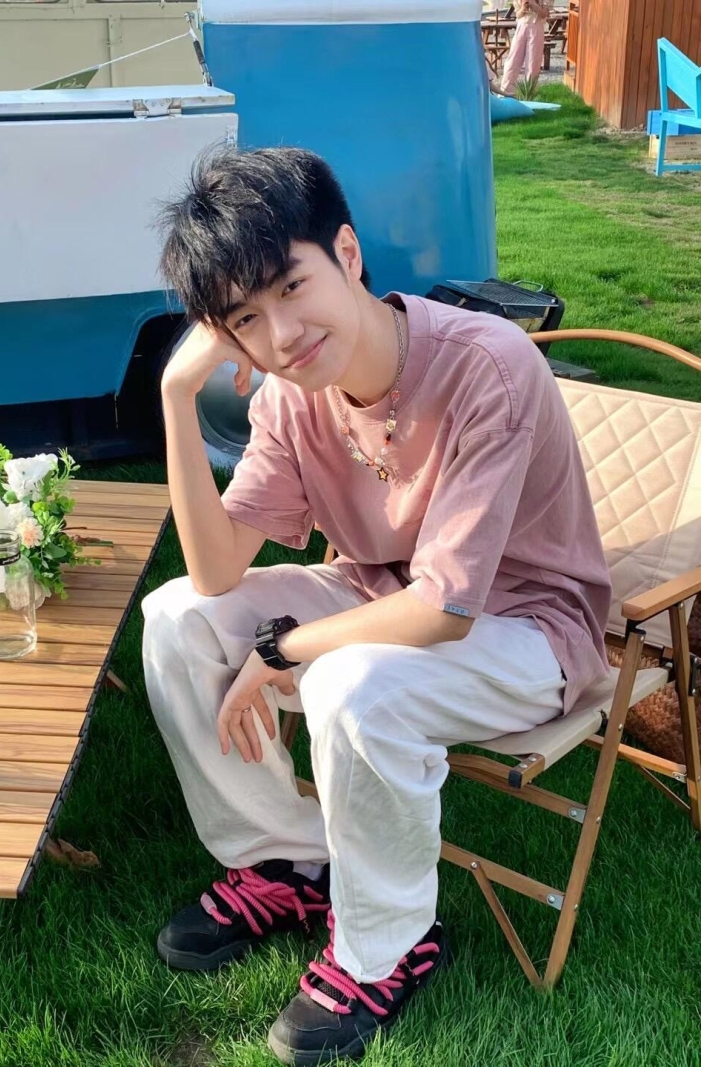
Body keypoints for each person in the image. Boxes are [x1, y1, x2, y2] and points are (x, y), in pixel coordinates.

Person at [142, 146, 612, 1065]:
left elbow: (444, 609)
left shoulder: (486, 365)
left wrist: (282, 651)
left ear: (348, 253)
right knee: (177, 619)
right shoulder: (291, 397)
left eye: (290, 287)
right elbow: (213, 572)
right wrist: (175, 392)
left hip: (528, 628)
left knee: (346, 682)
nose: (282, 335)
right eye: (245, 319)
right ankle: (287, 861)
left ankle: (387, 945)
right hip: (379, 589)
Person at [500, 0, 552, 97]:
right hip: (521, 26)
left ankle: (528, 95)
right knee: (513, 60)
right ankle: (505, 93)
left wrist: (533, 4)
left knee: (533, 63)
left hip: (536, 26)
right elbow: (518, 15)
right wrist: (523, 8)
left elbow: (544, 14)